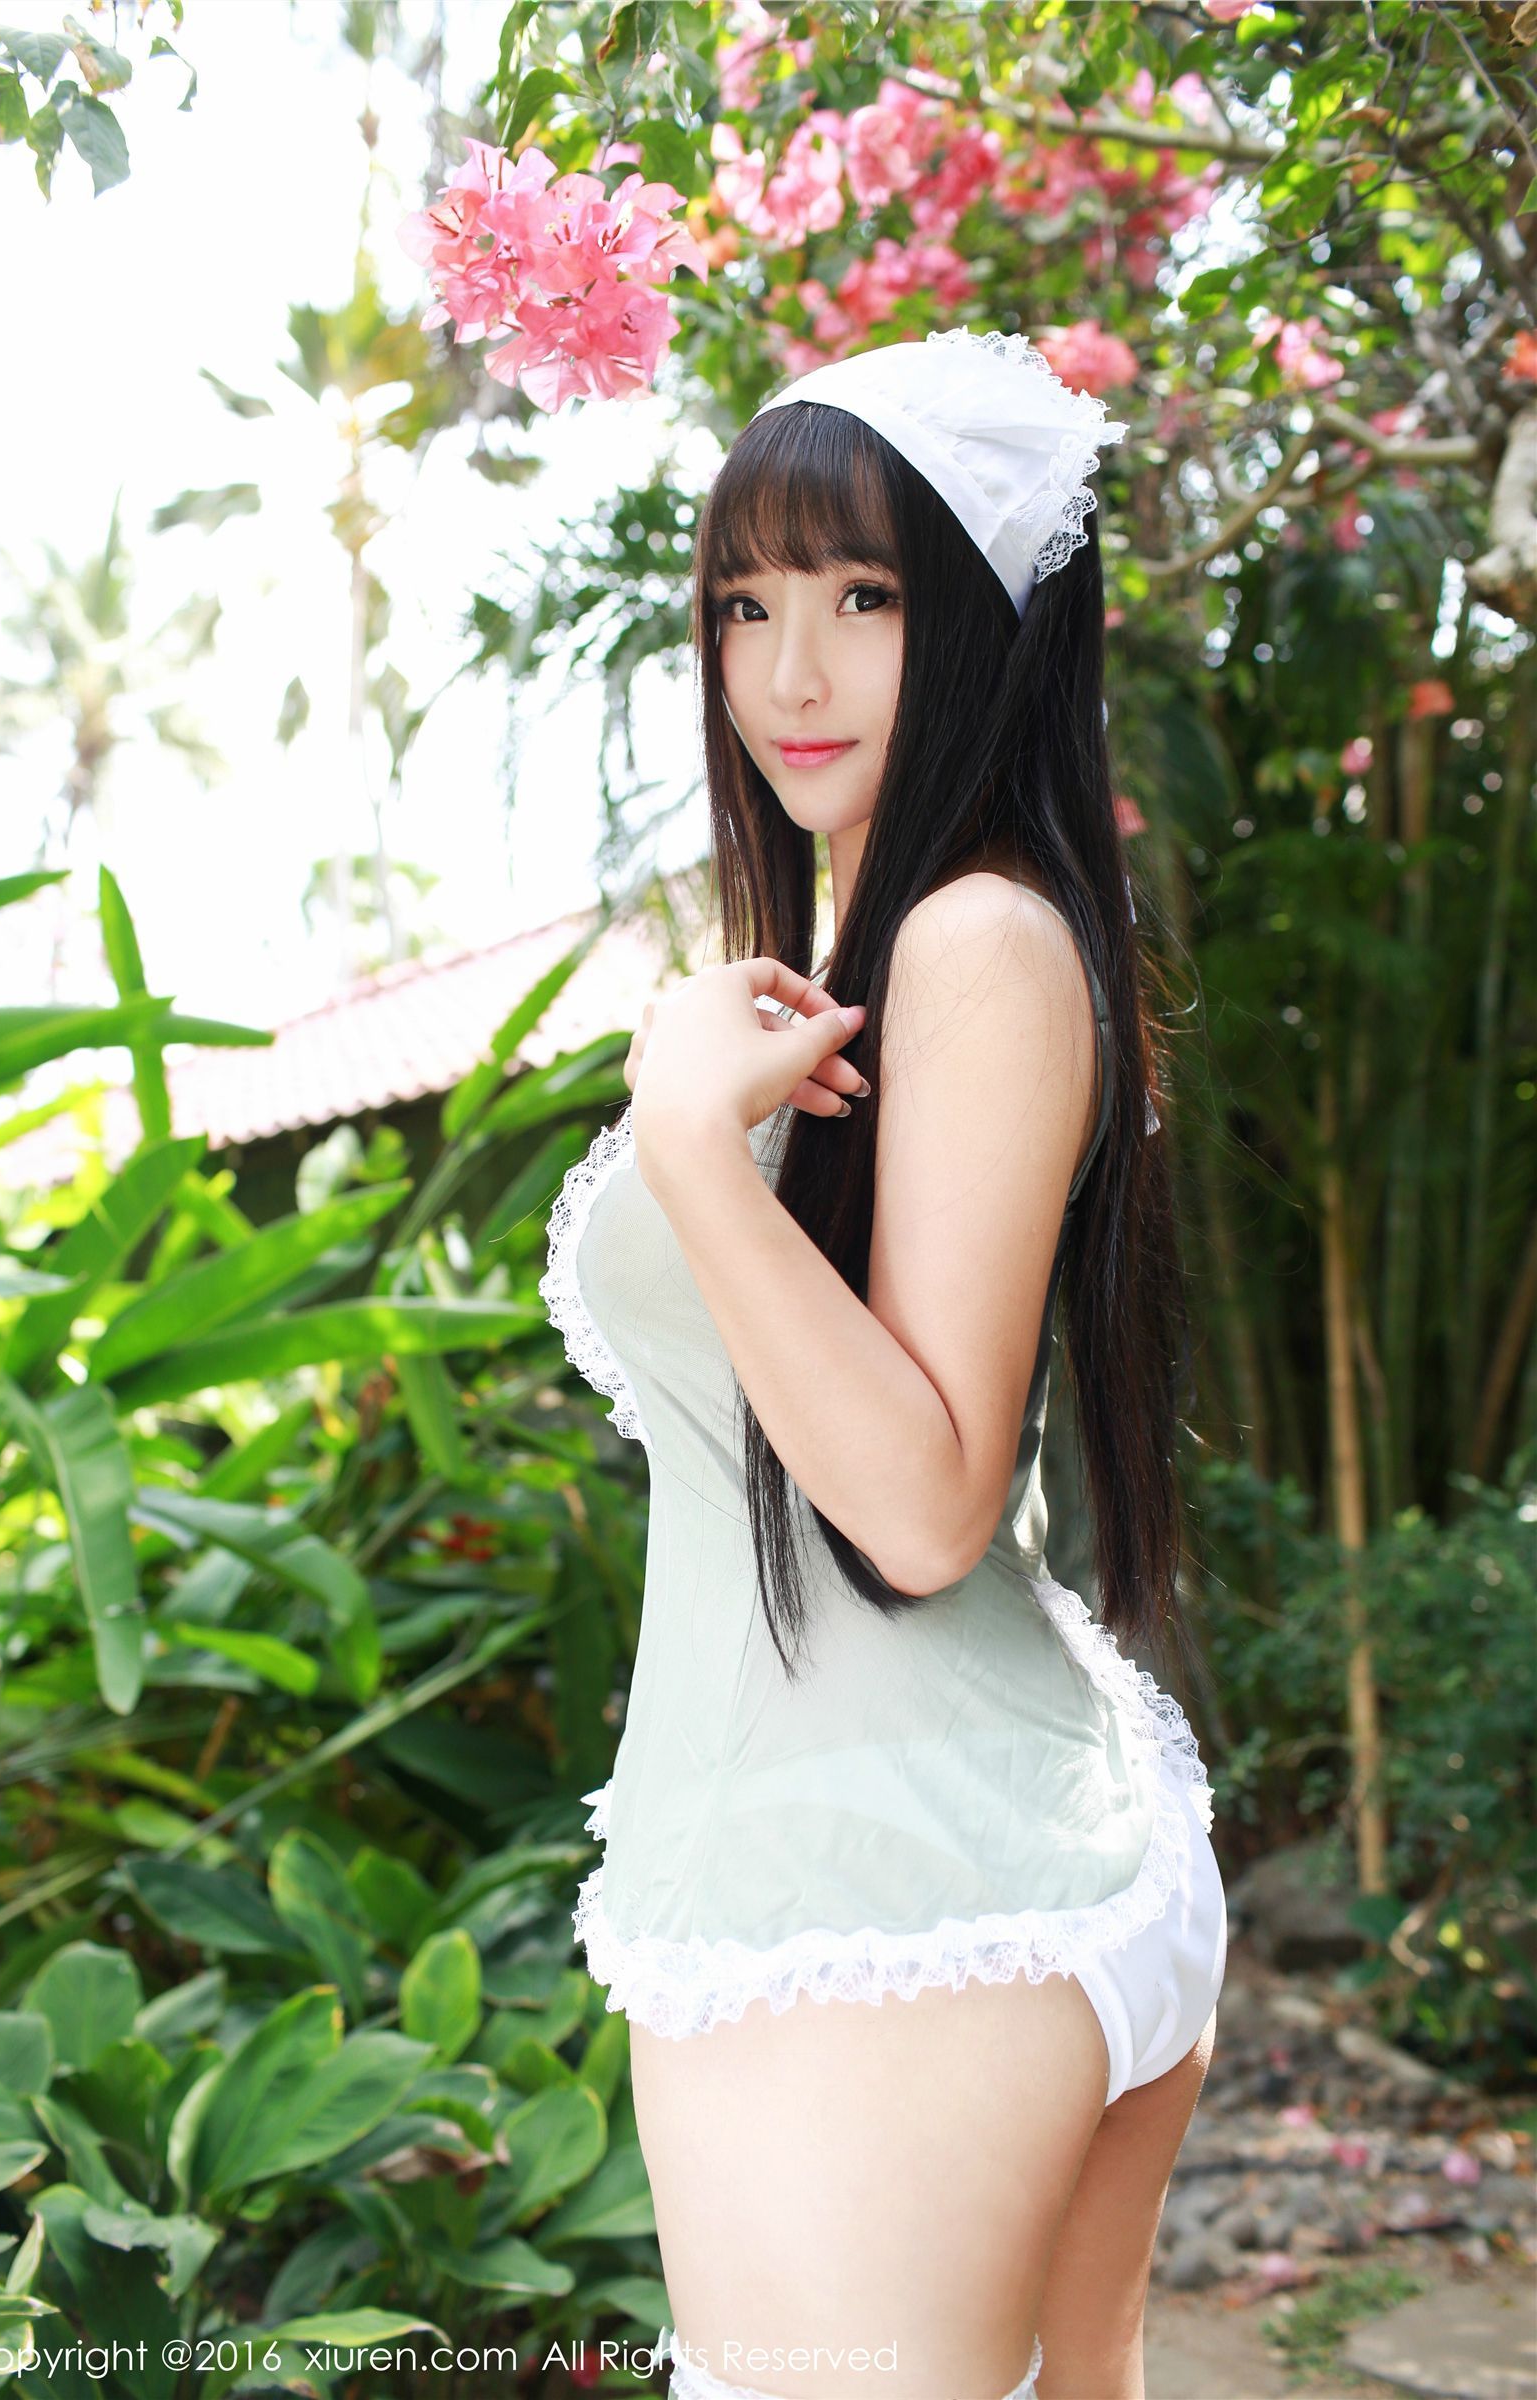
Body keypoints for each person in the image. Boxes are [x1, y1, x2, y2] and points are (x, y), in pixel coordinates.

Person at [538, 327, 1228, 2400]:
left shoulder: (972, 938)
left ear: (989, 628)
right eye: (744, 606)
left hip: (893, 1900)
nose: (790, 672)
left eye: (861, 597)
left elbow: (924, 1503)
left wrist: (686, 1148)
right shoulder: (890, 946)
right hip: (931, 1856)